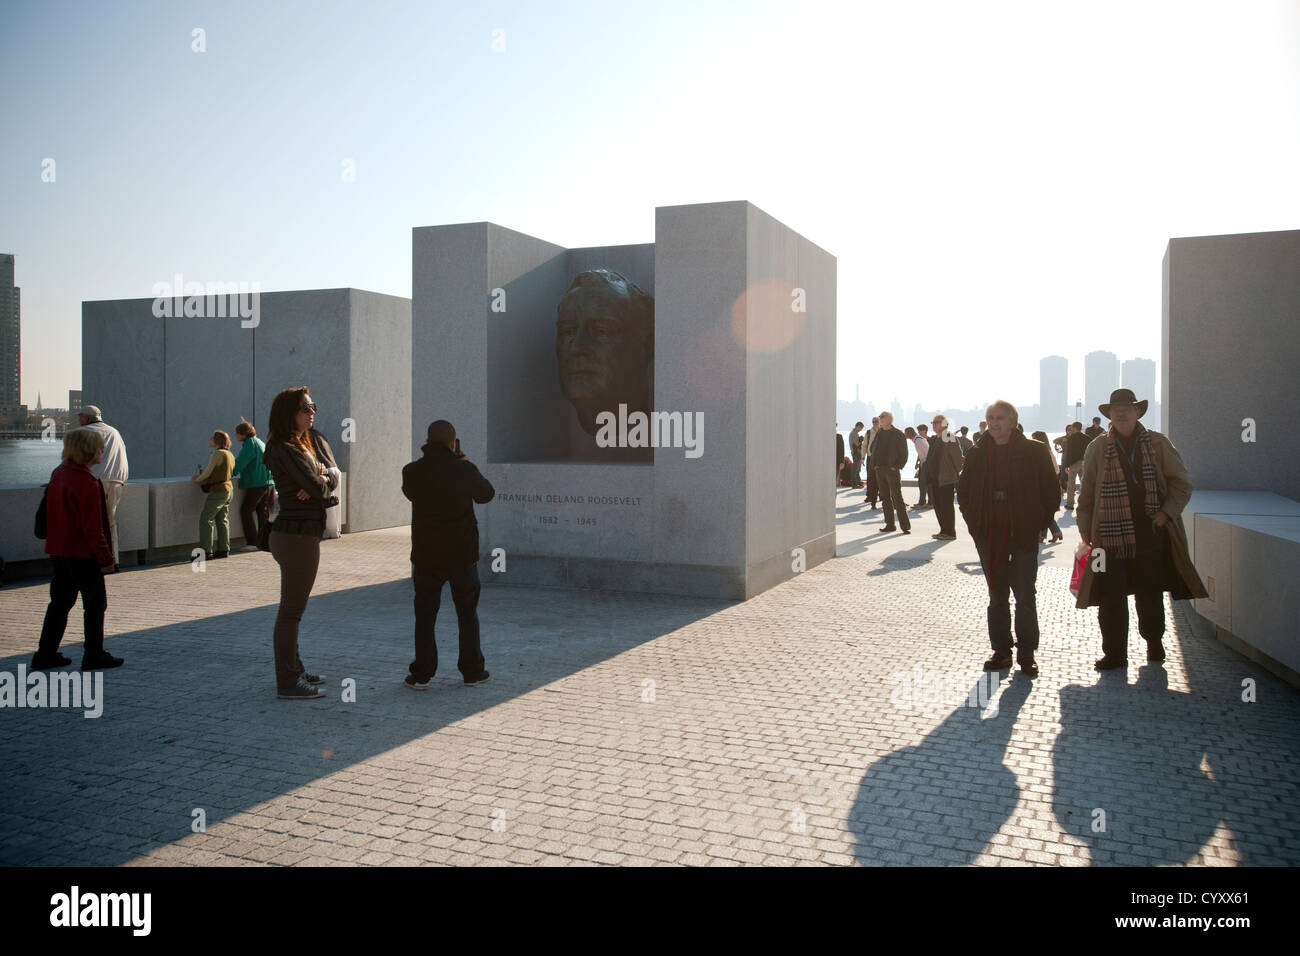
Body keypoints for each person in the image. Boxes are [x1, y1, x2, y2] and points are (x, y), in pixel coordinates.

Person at [1075, 389, 1207, 671]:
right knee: (1111, 596)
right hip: (1108, 536)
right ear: (1109, 414)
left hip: (1151, 532)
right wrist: (1085, 528)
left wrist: (1166, 513)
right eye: (1115, 409)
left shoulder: (1158, 444)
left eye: (1127, 408)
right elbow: (1086, 493)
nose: (1121, 413)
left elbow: (1181, 483)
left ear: (1138, 412)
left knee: (1150, 592)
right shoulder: (1097, 447)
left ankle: (1154, 643)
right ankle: (1114, 654)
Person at [956, 400, 1060, 677]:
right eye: (990, 417)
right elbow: (963, 492)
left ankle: (1027, 654)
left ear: (1013, 421)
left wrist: (1038, 524)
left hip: (1022, 534)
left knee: (1025, 595)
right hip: (990, 535)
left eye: (1000, 418)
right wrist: (974, 526)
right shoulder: (978, 453)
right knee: (997, 596)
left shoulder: (1034, 451)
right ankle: (1001, 651)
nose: (994, 423)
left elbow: (1051, 492)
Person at [402, 420, 495, 689]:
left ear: (428, 441)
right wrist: (464, 465)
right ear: (453, 443)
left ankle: (421, 673)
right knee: (467, 614)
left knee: (425, 615)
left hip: (426, 556)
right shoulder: (464, 469)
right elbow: (486, 494)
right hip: (461, 555)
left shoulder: (411, 471)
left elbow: (411, 493)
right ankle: (472, 671)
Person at [262, 387, 338, 700]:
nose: (312, 412)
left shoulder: (300, 444)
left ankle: (295, 667)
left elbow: (326, 480)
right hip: (295, 535)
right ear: (289, 413)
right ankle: (288, 682)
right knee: (291, 611)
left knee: (295, 609)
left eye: (313, 407)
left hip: (300, 533)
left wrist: (320, 477)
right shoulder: (284, 448)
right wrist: (317, 480)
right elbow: (318, 486)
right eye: (305, 408)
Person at [32, 427, 123, 671]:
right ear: (88, 449)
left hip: (59, 551)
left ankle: (45, 654)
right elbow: (93, 530)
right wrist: (106, 559)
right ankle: (93, 655)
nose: (102, 451)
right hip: (83, 555)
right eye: (99, 447)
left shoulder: (58, 473)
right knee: (95, 604)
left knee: (59, 603)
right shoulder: (87, 482)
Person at [78, 405, 128, 572]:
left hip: (93, 482)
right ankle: (113, 560)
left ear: (85, 418)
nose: (79, 420)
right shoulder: (114, 432)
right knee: (110, 522)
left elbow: (77, 458)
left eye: (80, 417)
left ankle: (96, 561)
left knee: (91, 523)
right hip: (116, 481)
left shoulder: (85, 432)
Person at [192, 430, 235, 560]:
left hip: (218, 490)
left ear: (217, 441)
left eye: (212, 438)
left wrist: (197, 479)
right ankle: (224, 549)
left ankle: (206, 551)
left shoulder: (217, 453)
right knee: (222, 520)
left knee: (206, 519)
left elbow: (208, 472)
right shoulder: (230, 454)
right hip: (228, 489)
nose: (210, 439)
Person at [231, 420, 273, 552]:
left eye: (237, 433)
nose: (236, 436)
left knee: (246, 510)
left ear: (243, 434)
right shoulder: (260, 442)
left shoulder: (249, 444)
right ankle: (264, 541)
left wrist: (230, 472)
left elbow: (240, 462)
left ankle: (252, 542)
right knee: (262, 512)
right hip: (266, 481)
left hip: (256, 482)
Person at [872, 412, 911, 534]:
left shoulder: (898, 434)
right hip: (880, 470)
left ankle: (905, 526)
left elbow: (904, 453)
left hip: (892, 470)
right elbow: (873, 449)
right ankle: (890, 524)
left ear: (889, 419)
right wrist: (874, 465)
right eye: (880, 417)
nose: (880, 419)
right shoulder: (879, 433)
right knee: (885, 498)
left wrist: (897, 466)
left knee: (897, 498)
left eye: (882, 417)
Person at [928, 415, 964, 540]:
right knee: (938, 505)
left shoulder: (949, 437)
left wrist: (952, 473)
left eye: (937, 422)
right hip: (935, 478)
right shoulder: (936, 439)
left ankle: (950, 532)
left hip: (946, 479)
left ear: (945, 424)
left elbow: (958, 459)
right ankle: (943, 530)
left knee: (946, 506)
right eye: (933, 422)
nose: (934, 424)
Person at [1031, 430, 1065, 543]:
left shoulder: (1044, 452)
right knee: (1045, 511)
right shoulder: (1046, 451)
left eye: (1033, 438)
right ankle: (1054, 533)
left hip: (1046, 485)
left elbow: (1055, 469)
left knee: (1044, 511)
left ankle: (1043, 535)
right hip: (1045, 484)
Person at [863, 417, 881, 507]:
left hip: (881, 459)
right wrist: (863, 457)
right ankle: (870, 496)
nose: (874, 423)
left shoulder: (883, 431)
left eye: (876, 421)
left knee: (881, 478)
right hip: (870, 458)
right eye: (873, 422)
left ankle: (882, 496)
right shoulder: (869, 433)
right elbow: (865, 445)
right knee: (870, 478)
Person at [912, 424, 931, 507]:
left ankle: (926, 502)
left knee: (926, 483)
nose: (919, 432)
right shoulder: (920, 439)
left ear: (925, 430)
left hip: (927, 463)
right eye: (918, 430)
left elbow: (928, 452)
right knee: (921, 483)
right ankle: (925, 501)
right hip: (922, 463)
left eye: (920, 430)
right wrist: (917, 462)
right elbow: (920, 453)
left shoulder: (929, 439)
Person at [848, 421, 865, 488]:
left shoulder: (854, 433)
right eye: (861, 428)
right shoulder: (854, 433)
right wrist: (861, 440)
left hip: (855, 452)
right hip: (856, 452)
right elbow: (857, 444)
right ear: (858, 426)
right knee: (856, 469)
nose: (860, 430)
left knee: (857, 469)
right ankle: (854, 484)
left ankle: (858, 482)